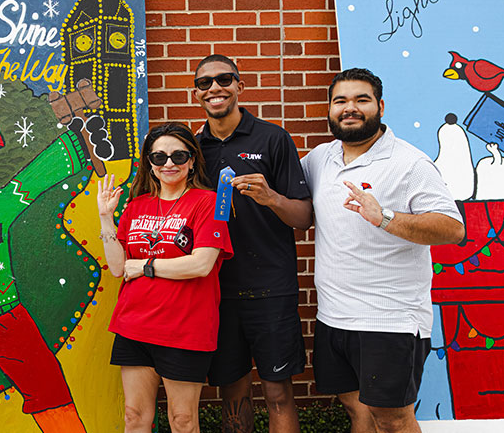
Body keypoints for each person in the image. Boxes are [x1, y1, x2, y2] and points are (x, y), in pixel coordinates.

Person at [301, 68, 465, 433]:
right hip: (334, 317)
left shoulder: (410, 163)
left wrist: (384, 217)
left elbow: (453, 229)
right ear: (330, 109)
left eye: (362, 100)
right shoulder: (320, 158)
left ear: (380, 107)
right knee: (356, 409)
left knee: (392, 419)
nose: (350, 108)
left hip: (389, 319)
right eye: (340, 101)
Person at [193, 55, 312, 433]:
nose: (215, 88)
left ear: (239, 86)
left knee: (278, 393)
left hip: (270, 287)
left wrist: (271, 198)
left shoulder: (273, 138)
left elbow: (304, 217)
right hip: (215, 288)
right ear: (196, 94)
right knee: (232, 394)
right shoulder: (191, 149)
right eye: (205, 83)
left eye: (224, 79)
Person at [96, 122, 233, 433]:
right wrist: (105, 218)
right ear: (150, 164)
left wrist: (146, 266)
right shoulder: (137, 205)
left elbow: (202, 264)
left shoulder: (211, 202)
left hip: (185, 328)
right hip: (134, 326)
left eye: (178, 156)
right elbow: (118, 267)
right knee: (134, 416)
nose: (168, 163)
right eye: (159, 157)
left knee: (183, 420)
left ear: (192, 160)